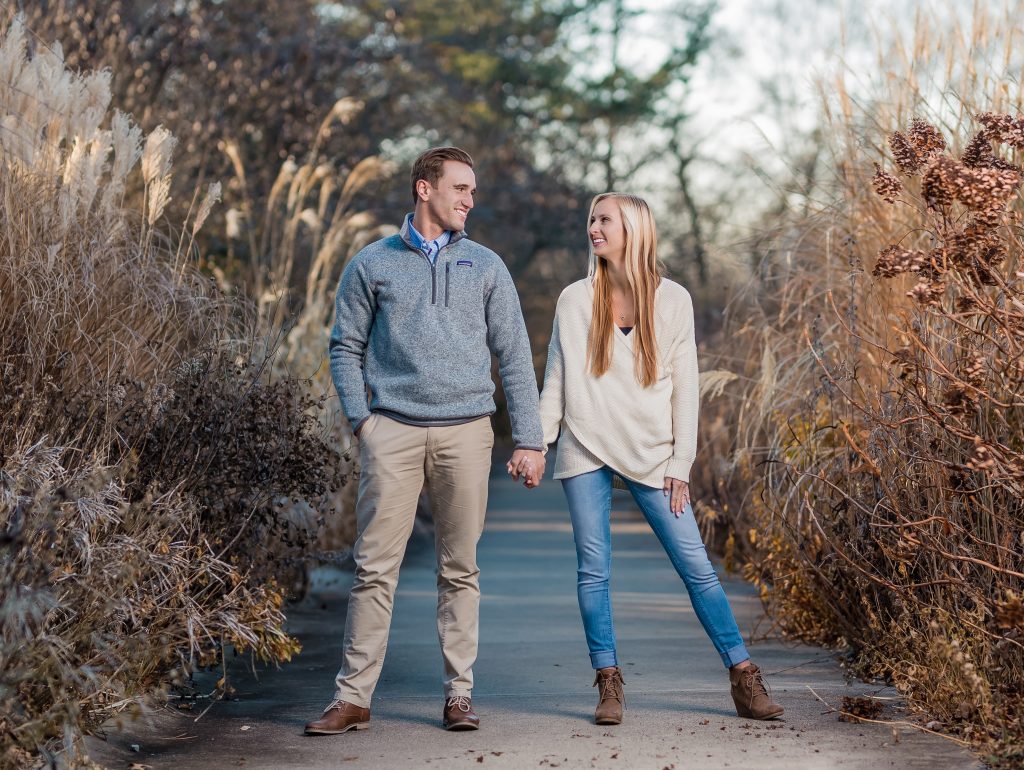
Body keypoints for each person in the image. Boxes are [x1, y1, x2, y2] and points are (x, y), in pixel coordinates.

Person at [306, 146, 546, 736]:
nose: (470, 199)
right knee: (373, 568)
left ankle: (459, 696)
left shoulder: (487, 265)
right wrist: (364, 420)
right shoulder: (373, 263)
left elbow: (514, 355)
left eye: (473, 189)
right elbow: (344, 345)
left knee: (459, 568)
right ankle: (353, 697)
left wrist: (530, 439)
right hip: (393, 430)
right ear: (424, 188)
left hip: (467, 432)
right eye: (461, 187)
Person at [530, 192, 783, 726]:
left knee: (696, 566)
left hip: (654, 452)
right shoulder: (576, 300)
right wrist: (537, 442)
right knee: (593, 569)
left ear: (634, 230)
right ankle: (609, 681)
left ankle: (743, 676)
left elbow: (685, 389)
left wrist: (679, 462)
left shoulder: (673, 300)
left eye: (604, 220)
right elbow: (556, 379)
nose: (593, 229)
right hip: (586, 442)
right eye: (591, 220)